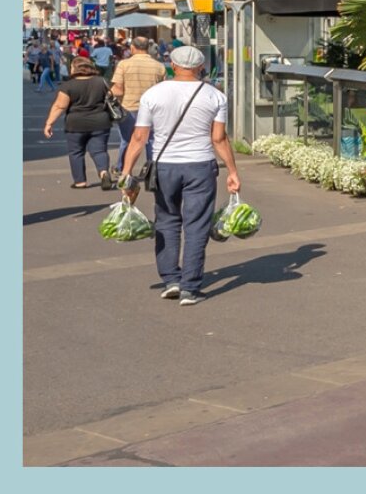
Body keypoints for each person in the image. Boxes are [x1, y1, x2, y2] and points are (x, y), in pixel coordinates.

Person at [118, 46, 239, 306]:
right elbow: (218, 138)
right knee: (196, 226)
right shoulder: (215, 96)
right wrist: (232, 171)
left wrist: (126, 173)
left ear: (172, 64)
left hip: (164, 166)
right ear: (201, 66)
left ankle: (171, 279)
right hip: (201, 165)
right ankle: (190, 288)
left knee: (167, 221)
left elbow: (139, 137)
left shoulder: (153, 94)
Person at [43, 56, 117, 189]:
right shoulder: (102, 81)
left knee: (76, 152)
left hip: (76, 123)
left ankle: (80, 181)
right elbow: (116, 93)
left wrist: (49, 123)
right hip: (100, 121)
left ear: (74, 69)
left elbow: (60, 106)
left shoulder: (68, 86)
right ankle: (104, 172)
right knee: (99, 150)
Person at [110, 35, 167, 166]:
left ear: (132, 48)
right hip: (152, 109)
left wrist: (107, 95)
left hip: (128, 108)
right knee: (151, 140)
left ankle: (122, 169)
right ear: (148, 47)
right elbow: (163, 88)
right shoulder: (159, 66)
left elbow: (118, 89)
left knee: (127, 140)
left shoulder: (123, 65)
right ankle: (151, 169)